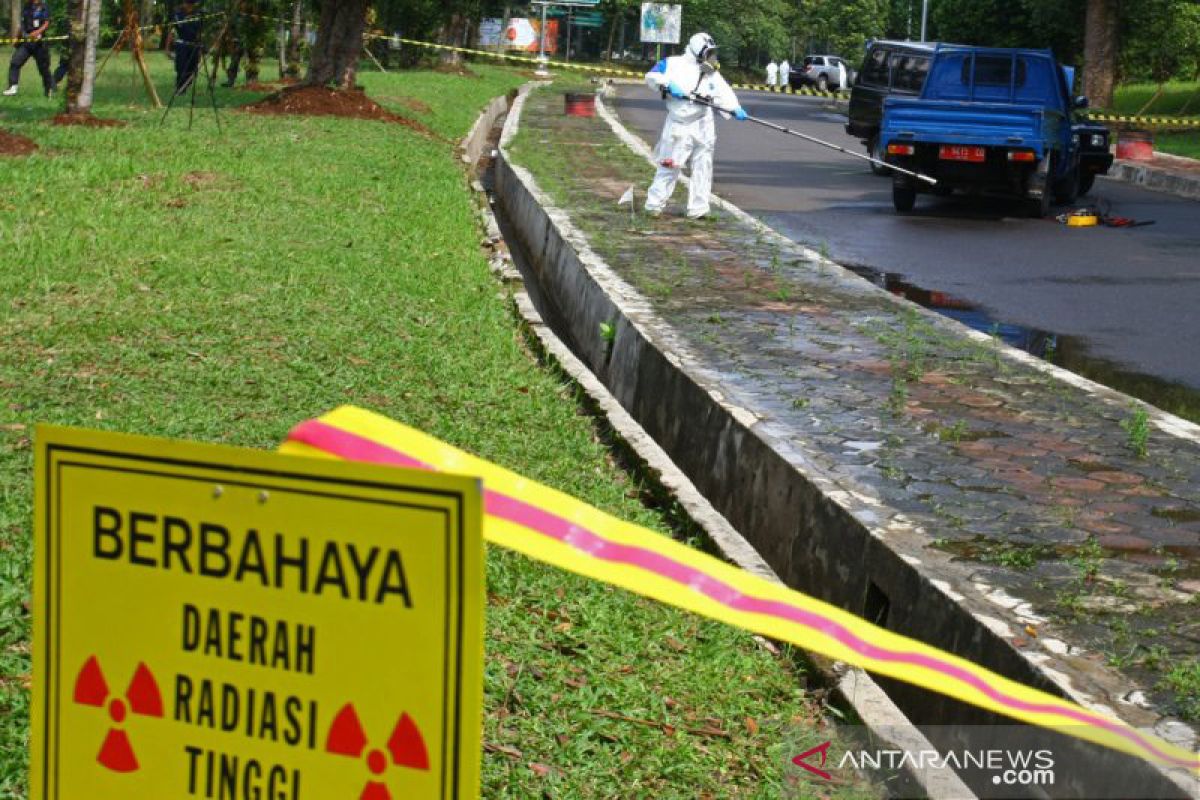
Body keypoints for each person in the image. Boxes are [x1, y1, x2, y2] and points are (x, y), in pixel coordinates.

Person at [644, 32, 747, 219]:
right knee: (670, 166)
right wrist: (667, 85)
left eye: (713, 53)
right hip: (679, 124)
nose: (712, 58)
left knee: (703, 167)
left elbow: (724, 92)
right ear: (697, 51)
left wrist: (735, 108)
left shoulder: (711, 73)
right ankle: (654, 206)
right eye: (709, 53)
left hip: (704, 124)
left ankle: (698, 210)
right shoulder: (672, 64)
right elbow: (651, 76)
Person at [4, 0, 54, 97]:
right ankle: (13, 86)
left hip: (40, 44)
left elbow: (47, 23)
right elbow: (22, 26)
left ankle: (49, 90)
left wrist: (37, 32)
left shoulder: (43, 6)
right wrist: (17, 39)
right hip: (27, 43)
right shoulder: (26, 6)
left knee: (43, 69)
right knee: (15, 62)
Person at [166, 0, 203, 95]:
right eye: (187, 3)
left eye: (191, 4)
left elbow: (199, 33)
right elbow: (171, 31)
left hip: (194, 45)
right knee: (181, 67)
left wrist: (199, 49)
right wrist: (167, 48)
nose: (188, 6)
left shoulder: (197, 15)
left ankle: (185, 85)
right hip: (182, 45)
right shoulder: (177, 15)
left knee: (193, 69)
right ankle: (180, 88)